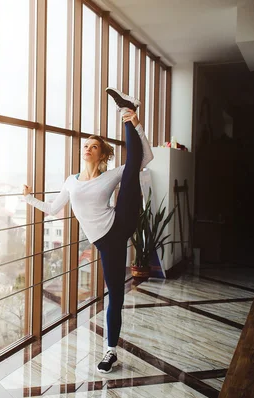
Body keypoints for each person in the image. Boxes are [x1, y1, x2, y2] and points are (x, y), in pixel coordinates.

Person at [22, 88, 154, 373]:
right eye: (85, 145)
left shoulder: (109, 176)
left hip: (120, 222)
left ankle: (127, 113)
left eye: (94, 146)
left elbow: (145, 159)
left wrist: (137, 126)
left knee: (131, 170)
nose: (87, 148)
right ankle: (112, 353)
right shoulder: (71, 181)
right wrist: (28, 198)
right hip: (106, 243)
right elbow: (53, 208)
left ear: (101, 153)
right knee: (115, 294)